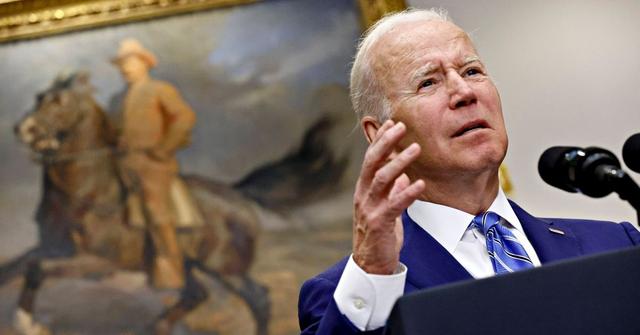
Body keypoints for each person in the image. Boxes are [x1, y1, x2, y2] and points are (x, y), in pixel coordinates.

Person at [298, 8, 640, 334]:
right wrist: (373, 272)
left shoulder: (617, 246)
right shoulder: (351, 299)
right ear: (380, 133)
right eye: (428, 83)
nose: (464, 92)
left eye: (472, 71)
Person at [111, 38, 196, 289]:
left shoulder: (160, 89)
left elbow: (184, 117)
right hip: (125, 164)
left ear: (145, 64)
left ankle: (172, 273)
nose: (126, 68)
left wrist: (164, 148)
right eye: (122, 64)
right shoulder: (119, 99)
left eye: (131, 62)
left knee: (156, 212)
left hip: (153, 165)